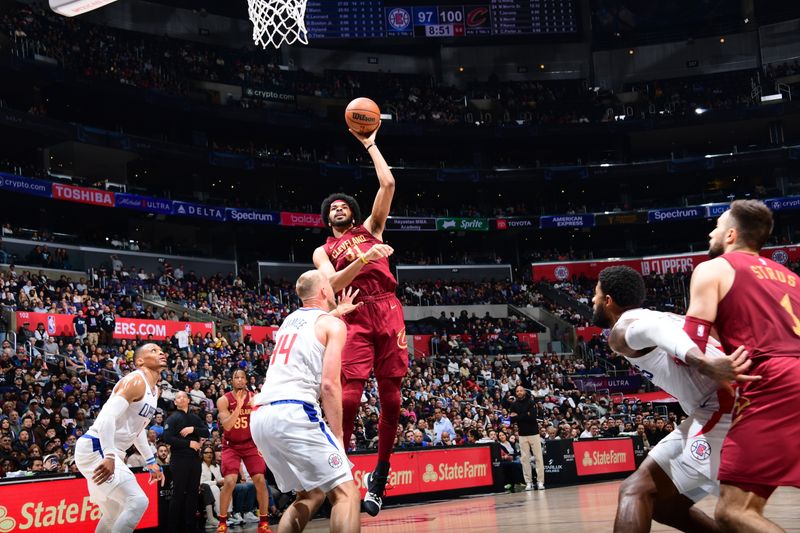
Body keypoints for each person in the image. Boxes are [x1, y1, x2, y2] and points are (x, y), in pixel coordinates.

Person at [591, 266, 757, 533]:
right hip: (728, 407)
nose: (592, 300)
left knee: (634, 490)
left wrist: (702, 363)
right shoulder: (668, 315)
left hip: (723, 408)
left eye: (596, 295)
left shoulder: (623, 330)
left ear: (608, 301)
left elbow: (654, 330)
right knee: (665, 506)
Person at [685, 200, 800, 533]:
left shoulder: (714, 268)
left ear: (731, 234)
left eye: (717, 226)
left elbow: (694, 341)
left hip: (772, 381)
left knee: (733, 511)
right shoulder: (791, 277)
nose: (711, 232)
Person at [312, 122, 404, 516]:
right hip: (353, 312)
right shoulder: (324, 249)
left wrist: (370, 144)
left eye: (343, 204)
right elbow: (330, 283)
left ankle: (380, 474)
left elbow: (387, 185)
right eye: (332, 206)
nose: (338, 206)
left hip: (388, 308)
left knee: (392, 399)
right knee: (348, 396)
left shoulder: (370, 228)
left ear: (351, 213)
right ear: (327, 217)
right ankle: (341, 467)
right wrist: (365, 259)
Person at [251, 270, 360, 533]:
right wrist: (338, 437)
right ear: (324, 291)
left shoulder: (289, 320)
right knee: (347, 494)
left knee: (310, 495)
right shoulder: (334, 326)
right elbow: (329, 385)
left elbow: (314, 327)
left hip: (262, 416)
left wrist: (337, 312)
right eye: (330, 288)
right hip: (295, 412)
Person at [74, 343, 166, 533]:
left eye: (161, 350)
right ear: (140, 361)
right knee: (137, 501)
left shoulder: (155, 391)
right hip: (97, 447)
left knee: (113, 513)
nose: (161, 353)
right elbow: (108, 416)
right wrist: (109, 455)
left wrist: (151, 461)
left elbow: (137, 431)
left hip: (106, 449)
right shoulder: (135, 381)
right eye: (153, 351)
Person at [215, 368, 271, 533]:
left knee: (260, 480)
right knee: (230, 481)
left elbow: (263, 420)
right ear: (231, 381)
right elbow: (227, 426)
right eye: (236, 377)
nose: (239, 380)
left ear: (246, 381)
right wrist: (239, 406)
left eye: (242, 377)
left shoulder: (255, 398)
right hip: (231, 445)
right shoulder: (223, 400)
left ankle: (264, 522)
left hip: (250, 444)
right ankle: (222, 522)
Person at [163, 390, 209, 533]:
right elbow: (168, 439)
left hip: (194, 460)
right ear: (175, 402)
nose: (181, 399)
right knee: (177, 494)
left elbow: (206, 432)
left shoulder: (194, 418)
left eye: (184, 396)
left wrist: (193, 429)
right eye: (178, 397)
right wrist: (189, 444)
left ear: (188, 400)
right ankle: (173, 528)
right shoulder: (172, 418)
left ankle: (191, 526)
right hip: (179, 459)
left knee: (193, 494)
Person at [504, 385, 544, 490]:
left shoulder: (531, 402)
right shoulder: (514, 404)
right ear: (516, 393)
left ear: (524, 392)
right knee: (525, 459)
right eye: (517, 391)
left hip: (534, 433)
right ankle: (528, 482)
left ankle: (540, 482)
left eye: (521, 390)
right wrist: (525, 414)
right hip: (522, 434)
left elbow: (533, 416)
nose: (519, 392)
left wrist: (519, 416)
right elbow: (512, 420)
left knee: (538, 458)